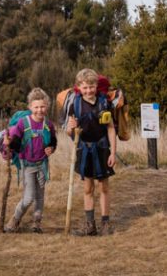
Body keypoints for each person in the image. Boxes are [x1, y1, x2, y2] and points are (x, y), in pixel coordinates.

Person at [63, 68, 117, 236]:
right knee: (87, 189)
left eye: (92, 86)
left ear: (96, 85)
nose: (88, 91)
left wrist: (113, 153)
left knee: (104, 187)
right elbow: (69, 132)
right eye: (85, 87)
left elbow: (111, 129)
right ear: (79, 87)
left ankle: (105, 224)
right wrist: (70, 128)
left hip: (102, 149)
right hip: (84, 150)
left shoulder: (104, 102)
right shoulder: (75, 104)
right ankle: (90, 225)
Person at [3, 87, 57, 233]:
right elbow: (17, 144)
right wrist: (9, 143)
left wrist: (51, 148)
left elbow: (53, 141)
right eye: (36, 107)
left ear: (47, 106)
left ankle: (36, 223)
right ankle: (14, 220)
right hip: (27, 166)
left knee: (40, 197)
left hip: (43, 166)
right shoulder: (23, 123)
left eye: (42, 106)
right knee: (28, 198)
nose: (40, 110)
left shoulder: (48, 124)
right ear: (30, 107)